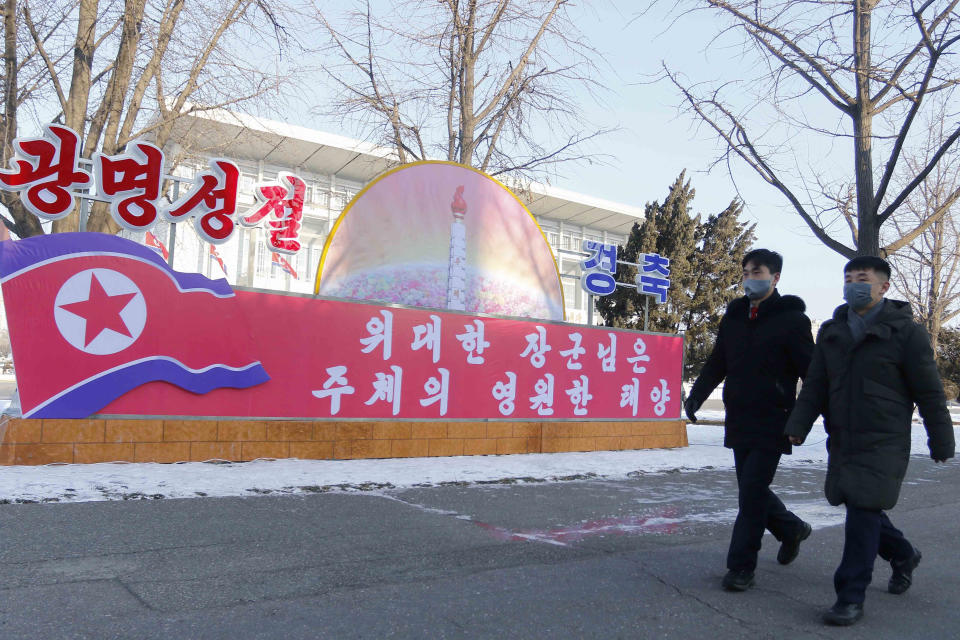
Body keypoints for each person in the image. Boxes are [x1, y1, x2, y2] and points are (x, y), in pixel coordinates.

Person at [784, 256, 954, 626]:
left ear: (884, 286)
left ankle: (850, 596)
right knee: (861, 505)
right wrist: (798, 423)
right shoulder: (833, 331)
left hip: (885, 439)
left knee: (862, 510)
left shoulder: (907, 333)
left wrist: (940, 439)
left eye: (861, 277)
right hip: (843, 436)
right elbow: (816, 385)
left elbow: (929, 391)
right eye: (848, 278)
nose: (852, 284)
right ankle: (903, 553)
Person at [685, 248, 814, 592]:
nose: (749, 279)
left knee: (752, 492)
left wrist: (804, 419)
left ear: (775, 277)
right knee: (751, 490)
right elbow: (717, 362)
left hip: (775, 419)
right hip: (740, 417)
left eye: (756, 272)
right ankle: (790, 529)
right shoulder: (735, 316)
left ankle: (741, 566)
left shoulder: (792, 320)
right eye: (745, 272)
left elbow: (812, 374)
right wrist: (697, 395)